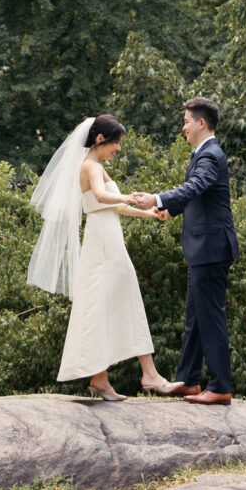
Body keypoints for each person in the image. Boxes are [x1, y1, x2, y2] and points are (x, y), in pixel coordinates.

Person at [27, 114, 183, 401]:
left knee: (107, 303)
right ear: (100, 140)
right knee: (119, 298)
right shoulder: (90, 166)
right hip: (102, 245)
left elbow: (115, 207)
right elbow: (100, 197)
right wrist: (128, 198)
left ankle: (102, 378)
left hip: (108, 240)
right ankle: (148, 374)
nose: (119, 149)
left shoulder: (97, 166)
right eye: (117, 143)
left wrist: (147, 213)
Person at [133, 97, 239, 406]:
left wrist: (157, 198)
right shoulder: (203, 154)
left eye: (186, 121)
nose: (184, 126)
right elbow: (194, 194)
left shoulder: (211, 155)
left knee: (211, 317)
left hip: (211, 247)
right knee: (195, 316)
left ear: (201, 123)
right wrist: (170, 209)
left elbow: (195, 186)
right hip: (203, 247)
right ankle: (189, 381)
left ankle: (220, 387)